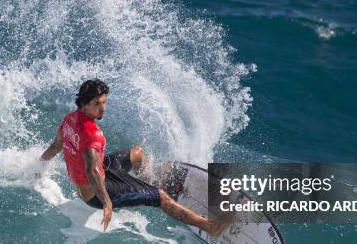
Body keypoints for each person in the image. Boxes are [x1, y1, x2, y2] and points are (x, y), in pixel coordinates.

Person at [39, 78, 231, 235]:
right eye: (97, 104)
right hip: (96, 193)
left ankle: (151, 185)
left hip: (94, 178)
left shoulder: (70, 119)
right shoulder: (91, 135)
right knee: (162, 198)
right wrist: (107, 203)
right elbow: (93, 170)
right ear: (84, 103)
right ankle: (210, 227)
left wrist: (38, 167)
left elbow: (56, 146)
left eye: (105, 102)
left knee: (137, 154)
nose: (103, 108)